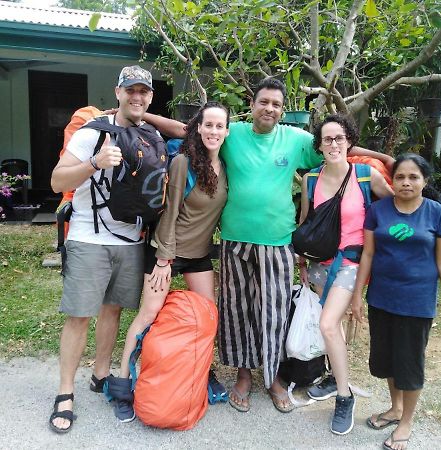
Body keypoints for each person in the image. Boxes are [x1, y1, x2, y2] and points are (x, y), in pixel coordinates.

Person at [141, 77, 395, 413]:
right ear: (252, 104)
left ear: (282, 109)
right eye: (264, 102)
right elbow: (185, 129)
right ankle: (244, 376)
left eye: (276, 104)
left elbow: (337, 145)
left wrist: (384, 158)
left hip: (277, 243)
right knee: (236, 312)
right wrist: (143, 117)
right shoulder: (235, 134)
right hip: (235, 241)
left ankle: (273, 378)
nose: (270, 109)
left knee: (273, 314)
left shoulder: (296, 140)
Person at [106, 101, 230, 422]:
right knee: (148, 314)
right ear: (198, 128)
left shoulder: (225, 167)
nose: (213, 131)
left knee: (208, 318)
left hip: (199, 254)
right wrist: (163, 260)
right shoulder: (183, 164)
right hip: (166, 252)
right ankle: (121, 383)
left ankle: (200, 374)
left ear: (226, 131)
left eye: (220, 126)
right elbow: (170, 214)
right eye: (208, 125)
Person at [49, 65, 155, 433]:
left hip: (130, 241)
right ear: (118, 92)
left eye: (143, 91)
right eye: (131, 90)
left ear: (150, 97)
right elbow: (56, 180)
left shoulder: (150, 136)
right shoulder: (92, 134)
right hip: (89, 238)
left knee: (112, 312)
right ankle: (65, 393)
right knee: (79, 315)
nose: (136, 97)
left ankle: (100, 373)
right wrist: (95, 162)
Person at [298, 114, 392, 434]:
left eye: (339, 138)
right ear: (319, 146)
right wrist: (300, 263)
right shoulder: (311, 179)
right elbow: (305, 223)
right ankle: (333, 375)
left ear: (349, 141)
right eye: (327, 139)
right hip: (319, 265)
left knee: (326, 324)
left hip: (351, 265)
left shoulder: (366, 176)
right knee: (331, 327)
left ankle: (343, 396)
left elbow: (398, 206)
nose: (334, 144)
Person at [351, 153, 441, 450]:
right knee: (387, 360)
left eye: (413, 177)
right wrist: (357, 294)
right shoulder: (378, 210)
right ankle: (395, 408)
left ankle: (406, 421)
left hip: (416, 302)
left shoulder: (439, 214)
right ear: (391, 181)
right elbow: (367, 254)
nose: (406, 182)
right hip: (381, 298)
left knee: (410, 363)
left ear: (425, 181)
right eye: (400, 177)